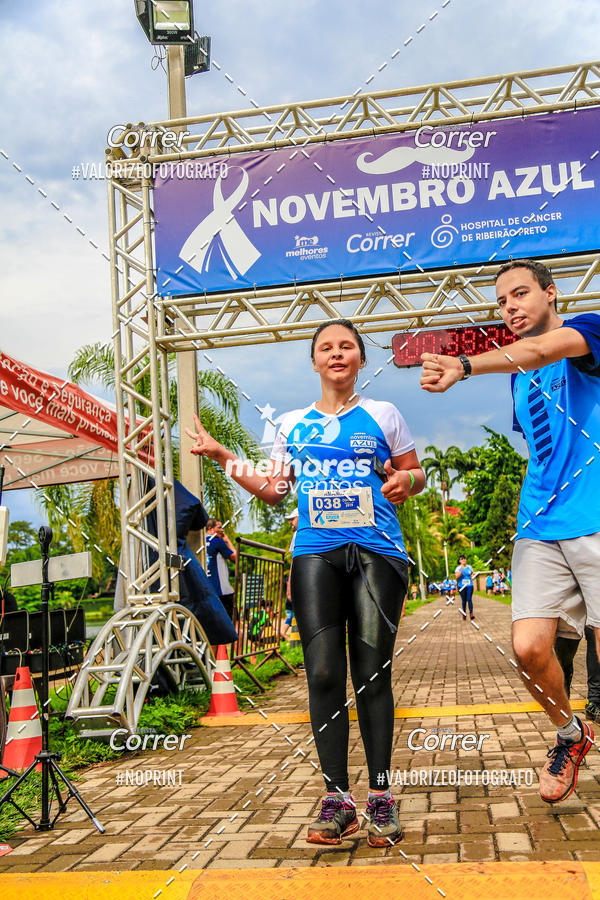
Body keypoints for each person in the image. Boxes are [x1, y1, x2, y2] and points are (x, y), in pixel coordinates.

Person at [186, 318, 425, 847]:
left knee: (372, 674)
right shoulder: (292, 424)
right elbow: (275, 490)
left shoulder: (384, 413)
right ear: (314, 361)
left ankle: (381, 797)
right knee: (321, 673)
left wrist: (404, 480)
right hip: (314, 553)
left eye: (347, 346)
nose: (337, 354)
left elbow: (416, 473)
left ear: (360, 359)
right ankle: (337, 801)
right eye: (326, 348)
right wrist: (224, 457)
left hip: (378, 555)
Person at [420, 257, 600, 804]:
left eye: (520, 294)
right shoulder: (518, 379)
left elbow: (543, 350)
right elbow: (540, 448)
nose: (510, 307)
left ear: (551, 292)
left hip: (594, 517)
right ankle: (570, 735)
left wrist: (464, 365)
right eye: (501, 302)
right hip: (539, 524)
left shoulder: (588, 330)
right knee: (527, 648)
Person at [205, 519, 237, 623]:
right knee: (232, 622)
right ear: (210, 528)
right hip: (222, 590)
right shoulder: (217, 541)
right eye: (219, 527)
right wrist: (227, 541)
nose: (222, 530)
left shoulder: (200, 542)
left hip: (206, 589)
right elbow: (235, 558)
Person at [281, 509, 299, 642]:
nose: (290, 522)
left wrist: (290, 586)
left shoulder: (298, 534)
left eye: (293, 519)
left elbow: (294, 560)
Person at [455, 554, 475, 620]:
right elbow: (456, 577)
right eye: (462, 559)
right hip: (461, 586)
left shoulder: (469, 567)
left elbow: (472, 574)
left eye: (464, 559)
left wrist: (473, 576)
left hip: (469, 585)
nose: (463, 560)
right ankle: (464, 613)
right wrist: (461, 570)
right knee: (464, 600)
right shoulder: (458, 568)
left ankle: (471, 613)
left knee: (469, 599)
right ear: (459, 561)